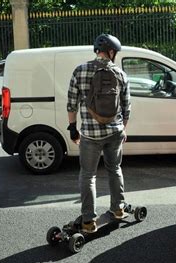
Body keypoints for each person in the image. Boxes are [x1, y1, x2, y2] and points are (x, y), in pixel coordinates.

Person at [66, 34, 131, 233]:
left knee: (88, 176)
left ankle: (88, 221)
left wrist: (73, 128)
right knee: (115, 169)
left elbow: (71, 104)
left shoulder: (80, 71)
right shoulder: (120, 74)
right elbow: (127, 108)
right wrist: (123, 129)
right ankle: (118, 209)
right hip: (115, 132)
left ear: (97, 51)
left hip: (90, 136)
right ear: (111, 52)